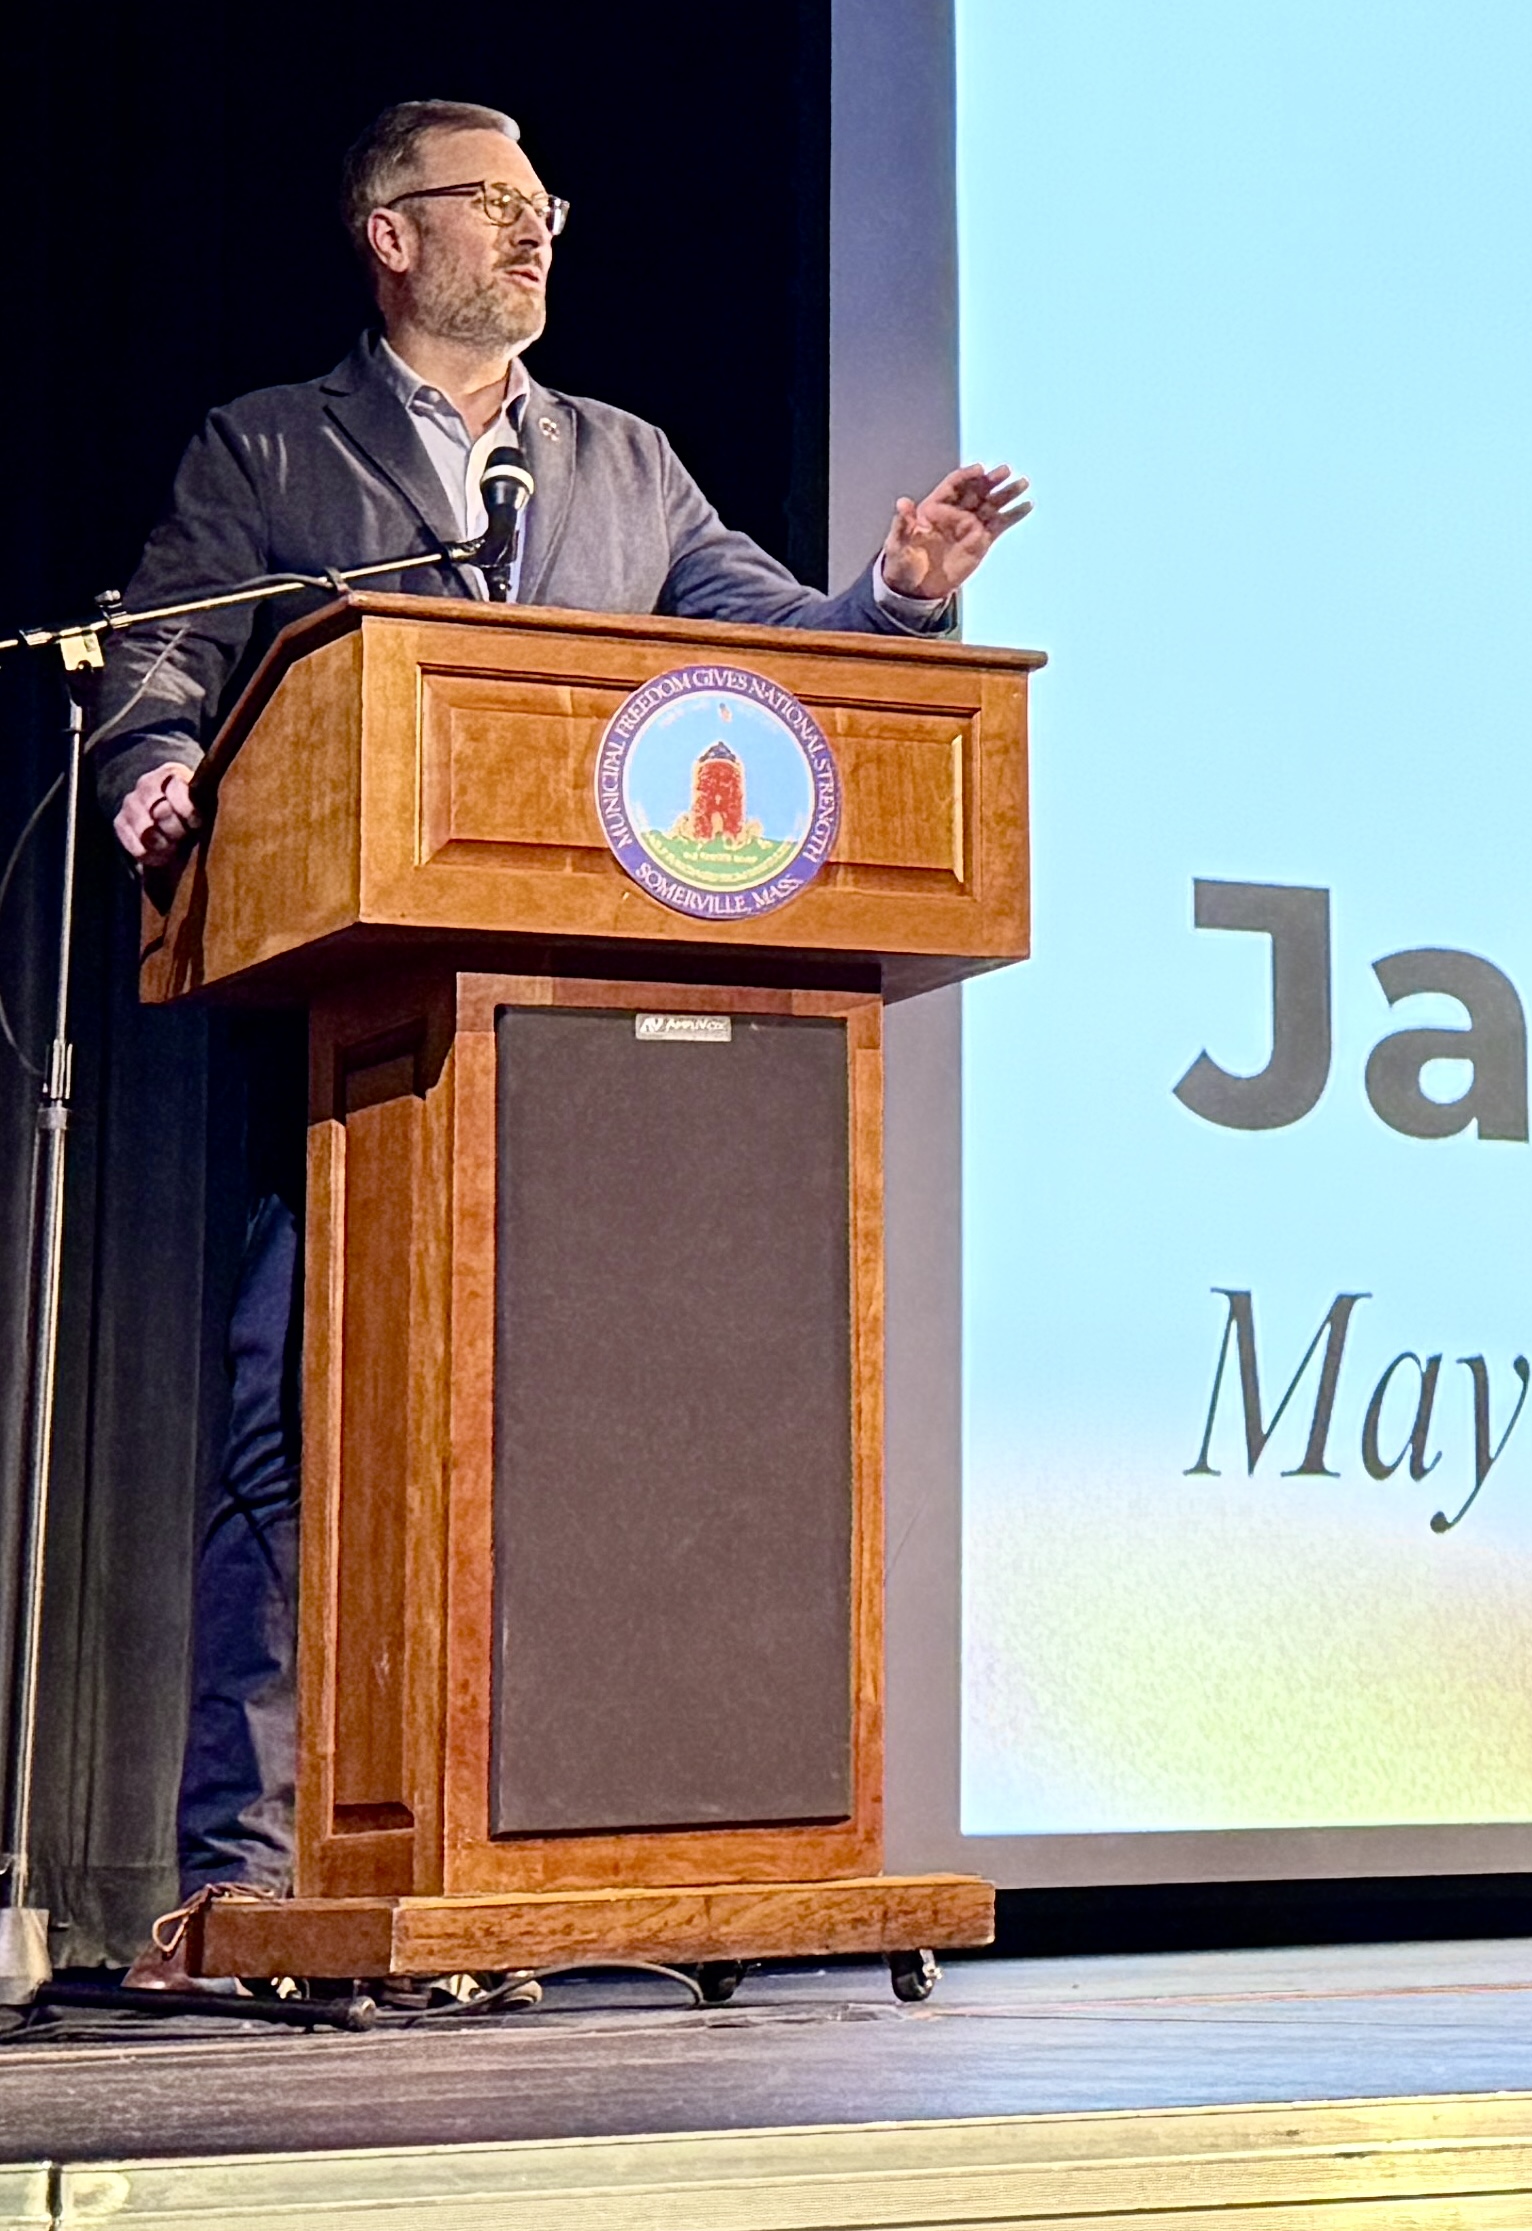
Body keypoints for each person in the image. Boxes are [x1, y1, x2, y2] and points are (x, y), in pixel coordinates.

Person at [95, 98, 1028, 1983]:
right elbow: (164, 650)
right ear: (389, 233)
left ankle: (532, 1868)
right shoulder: (276, 446)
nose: (534, 237)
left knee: (566, 1459)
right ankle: (248, 1871)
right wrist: (160, 762)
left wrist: (899, 601)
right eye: (495, 206)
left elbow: (767, 646)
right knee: (307, 1448)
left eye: (547, 209)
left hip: (595, 1077)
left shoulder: (622, 462)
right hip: (367, 1050)